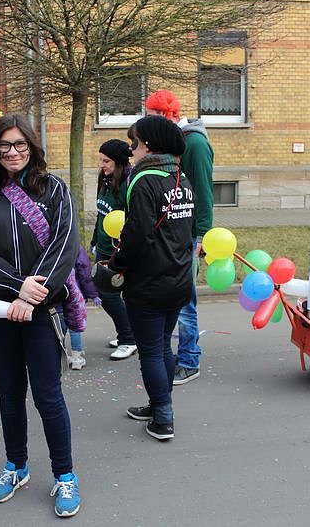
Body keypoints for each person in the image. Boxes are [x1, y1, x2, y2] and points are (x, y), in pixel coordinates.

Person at [0, 113, 82, 518]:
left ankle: (64, 475)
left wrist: (32, 296)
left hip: (42, 311)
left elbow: (64, 245)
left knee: (48, 396)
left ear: (32, 147)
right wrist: (17, 286)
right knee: (10, 395)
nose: (13, 152)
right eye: (5, 145)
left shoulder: (54, 190)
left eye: (21, 145)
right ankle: (17, 466)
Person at [107, 115, 194, 441]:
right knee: (161, 348)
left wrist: (117, 265)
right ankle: (159, 404)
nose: (132, 151)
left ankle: (163, 418)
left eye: (135, 143)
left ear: (150, 145)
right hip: (178, 279)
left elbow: (138, 235)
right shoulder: (179, 178)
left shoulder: (143, 181)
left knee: (152, 352)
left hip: (150, 283)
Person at [145, 89, 214, 385]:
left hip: (188, 237)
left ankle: (189, 360)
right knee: (175, 298)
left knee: (186, 301)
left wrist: (201, 238)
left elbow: (203, 193)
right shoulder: (171, 143)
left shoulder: (194, 143)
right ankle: (177, 355)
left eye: (149, 116)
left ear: (164, 115)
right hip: (171, 235)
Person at [90, 139, 137, 360]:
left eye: (106, 160)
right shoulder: (105, 181)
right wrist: (93, 240)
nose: (102, 164)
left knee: (109, 295)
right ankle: (126, 332)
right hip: (102, 247)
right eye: (100, 160)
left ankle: (129, 338)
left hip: (118, 250)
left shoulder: (128, 184)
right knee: (103, 292)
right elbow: (102, 215)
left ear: (119, 162)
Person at [67, 245, 100, 370]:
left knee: (61, 325)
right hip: (75, 291)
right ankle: (76, 356)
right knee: (75, 325)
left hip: (57, 291)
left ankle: (62, 354)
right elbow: (84, 272)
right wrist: (93, 294)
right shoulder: (75, 247)